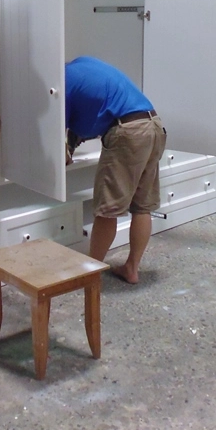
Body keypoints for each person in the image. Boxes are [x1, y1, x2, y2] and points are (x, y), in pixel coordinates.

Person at [65, 56, 166, 284]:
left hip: (128, 132)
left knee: (107, 210)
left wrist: (65, 152)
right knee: (142, 206)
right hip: (153, 125)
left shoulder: (61, 86)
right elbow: (91, 117)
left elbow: (61, 134)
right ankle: (131, 268)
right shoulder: (83, 65)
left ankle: (89, 275)